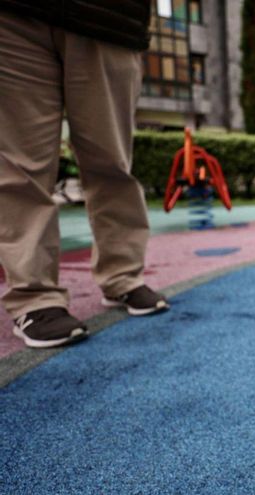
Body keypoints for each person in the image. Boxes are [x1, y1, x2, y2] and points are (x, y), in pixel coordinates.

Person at [0, 1, 168, 349]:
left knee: (112, 162)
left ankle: (122, 275)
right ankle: (35, 297)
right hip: (13, 15)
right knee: (20, 166)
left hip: (108, 16)